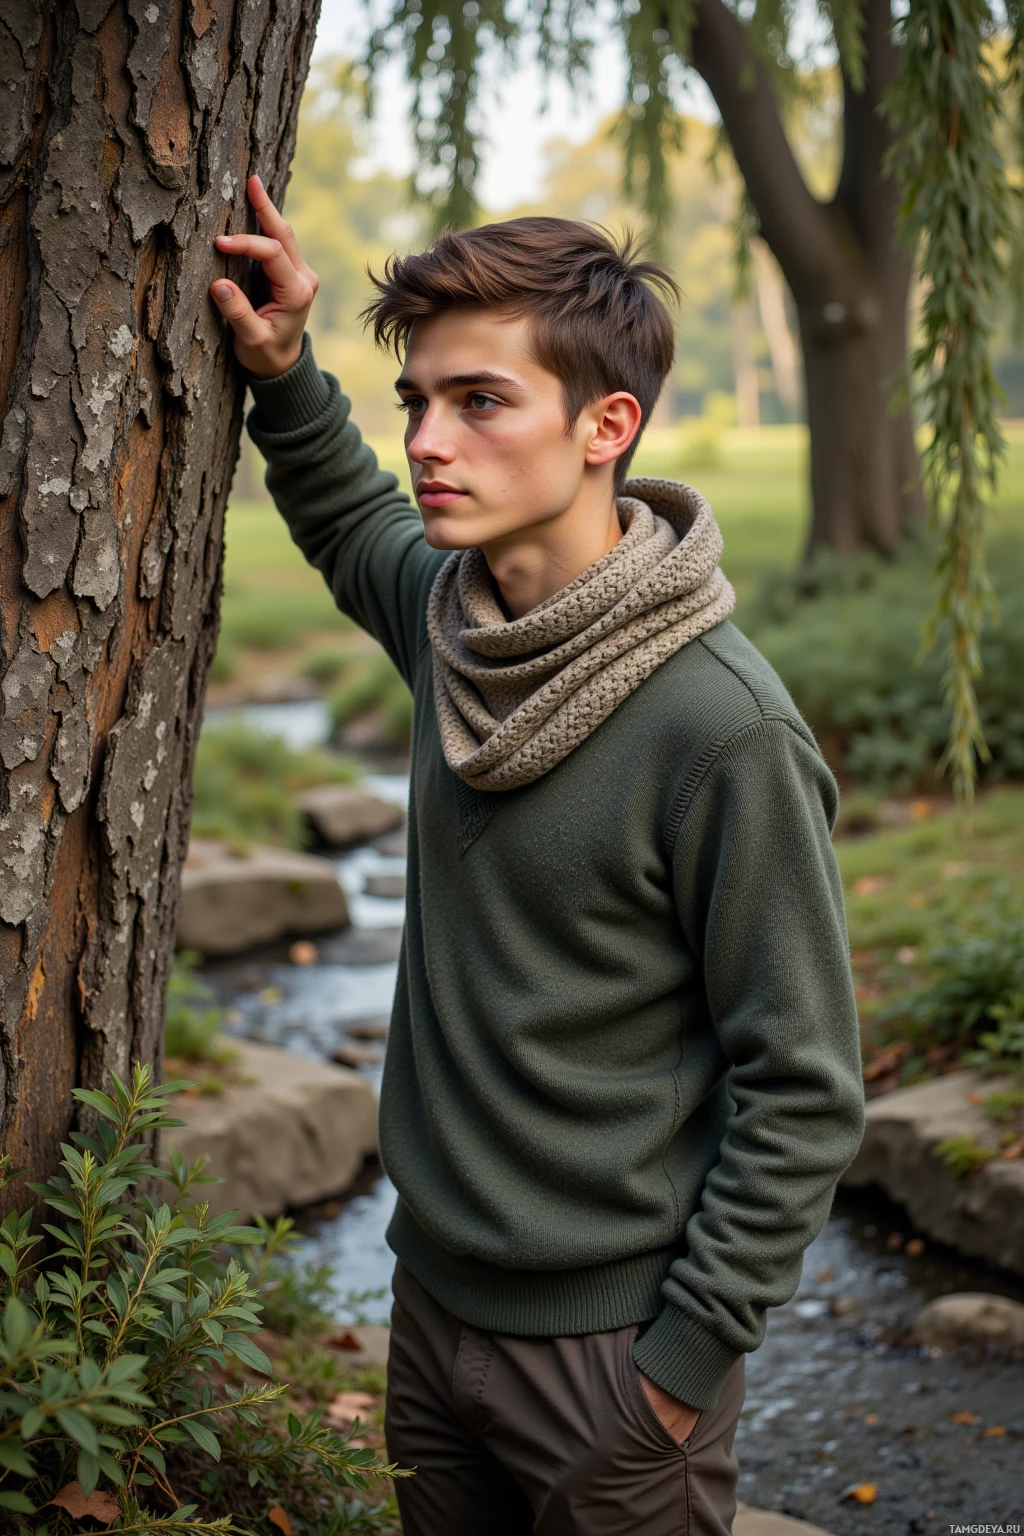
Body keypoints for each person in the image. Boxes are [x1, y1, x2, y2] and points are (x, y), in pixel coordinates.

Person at [209, 176, 866, 1536]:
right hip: (428, 1309)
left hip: (613, 1357)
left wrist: (680, 1374)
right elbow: (348, 522)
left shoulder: (722, 730)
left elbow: (803, 1086)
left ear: (604, 426)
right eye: (419, 403)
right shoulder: (458, 622)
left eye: (482, 402)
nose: (430, 443)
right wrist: (284, 371)